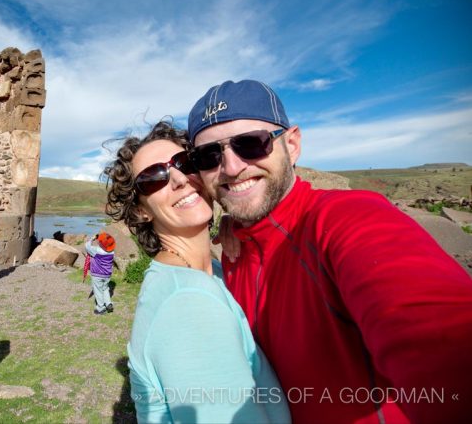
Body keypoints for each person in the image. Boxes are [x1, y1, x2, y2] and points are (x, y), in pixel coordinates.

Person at [187, 79, 472, 423]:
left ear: (291, 145)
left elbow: (436, 332)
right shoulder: (234, 250)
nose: (231, 168)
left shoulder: (344, 218)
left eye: (251, 144)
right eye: (208, 155)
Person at [104, 120, 290, 423]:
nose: (179, 179)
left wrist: (241, 226)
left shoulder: (207, 271)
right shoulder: (187, 304)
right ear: (141, 210)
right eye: (153, 179)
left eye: (184, 162)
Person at [85, 231, 116, 315]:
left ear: (101, 244)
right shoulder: (112, 252)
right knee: (105, 288)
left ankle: (100, 308)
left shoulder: (96, 251)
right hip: (107, 274)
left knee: (98, 291)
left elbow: (87, 246)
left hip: (97, 275)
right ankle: (108, 303)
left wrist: (92, 238)